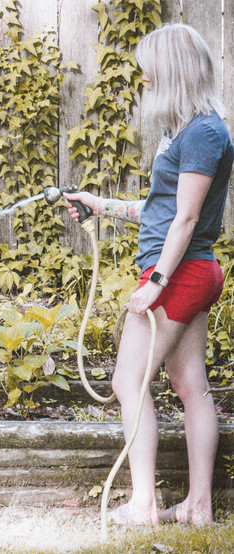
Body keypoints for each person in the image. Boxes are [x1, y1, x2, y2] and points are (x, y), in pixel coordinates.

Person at [63, 23, 233, 526]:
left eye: (150, 69)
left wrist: (155, 283)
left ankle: (143, 504)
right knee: (190, 384)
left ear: (172, 70)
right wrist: (100, 205)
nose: (144, 78)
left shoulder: (203, 132)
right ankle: (197, 507)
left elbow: (186, 220)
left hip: (179, 272)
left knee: (128, 380)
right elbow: (161, 209)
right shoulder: (187, 130)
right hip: (189, 269)